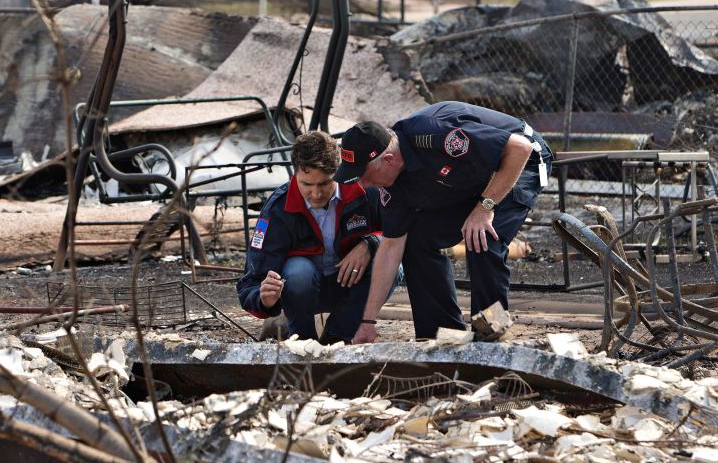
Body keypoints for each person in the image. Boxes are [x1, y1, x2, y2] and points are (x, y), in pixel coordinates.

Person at [332, 101, 553, 343]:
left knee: (482, 238)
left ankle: (492, 331)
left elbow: (519, 149)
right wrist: (368, 321)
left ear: (388, 160)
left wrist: (484, 208)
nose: (363, 185)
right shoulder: (392, 185)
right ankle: (442, 336)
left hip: (521, 162)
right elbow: (390, 248)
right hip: (474, 178)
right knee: (416, 238)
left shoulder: (434, 134)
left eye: (364, 175)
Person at [237, 130, 398, 342]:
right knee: (298, 271)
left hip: (353, 288)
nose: (316, 194)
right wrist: (264, 299)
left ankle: (337, 336)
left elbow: (398, 233)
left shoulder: (365, 190)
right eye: (306, 184)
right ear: (294, 175)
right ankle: (302, 342)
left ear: (339, 173)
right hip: (302, 292)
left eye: (324, 184)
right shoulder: (277, 208)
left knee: (392, 263)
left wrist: (371, 243)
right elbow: (251, 283)